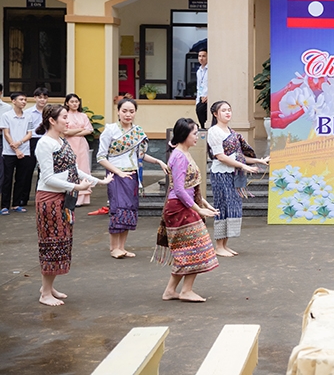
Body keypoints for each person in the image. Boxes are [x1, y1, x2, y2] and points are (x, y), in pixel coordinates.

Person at [35, 104, 112, 306]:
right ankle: (45, 293)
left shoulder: (61, 140)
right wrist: (76, 187)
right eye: (64, 117)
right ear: (52, 121)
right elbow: (48, 178)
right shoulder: (45, 143)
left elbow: (74, 169)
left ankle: (48, 287)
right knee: (51, 244)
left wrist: (98, 181)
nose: (68, 121)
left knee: (62, 243)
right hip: (49, 200)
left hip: (63, 199)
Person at [153, 117, 219, 302]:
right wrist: (198, 209)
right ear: (184, 135)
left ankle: (170, 290)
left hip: (183, 205)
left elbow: (189, 186)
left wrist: (204, 203)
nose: (197, 137)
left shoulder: (183, 153)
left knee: (187, 249)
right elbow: (180, 189)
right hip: (178, 208)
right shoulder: (180, 156)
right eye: (195, 133)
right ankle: (186, 291)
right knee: (197, 246)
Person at [97, 98, 168, 259]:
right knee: (118, 209)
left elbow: (140, 155)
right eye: (124, 111)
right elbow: (101, 157)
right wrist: (118, 172)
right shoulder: (110, 130)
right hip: (116, 175)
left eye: (131, 111)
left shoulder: (137, 131)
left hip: (133, 175)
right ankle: (113, 247)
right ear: (118, 111)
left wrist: (157, 161)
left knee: (129, 210)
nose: (128, 114)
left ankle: (122, 247)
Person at [207, 101, 269, 257]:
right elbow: (220, 157)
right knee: (222, 207)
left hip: (233, 175)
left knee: (233, 206)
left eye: (229, 110)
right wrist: (244, 167)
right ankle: (218, 246)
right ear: (215, 114)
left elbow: (240, 157)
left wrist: (259, 161)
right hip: (221, 174)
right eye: (224, 110)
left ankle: (225, 245)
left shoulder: (231, 132)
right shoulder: (214, 131)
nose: (228, 113)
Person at [1, 92, 35, 214]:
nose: (24, 102)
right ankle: (4, 205)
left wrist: (19, 143)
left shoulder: (28, 116)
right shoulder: (6, 115)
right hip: (9, 152)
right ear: (13, 101)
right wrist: (15, 149)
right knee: (7, 179)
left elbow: (29, 134)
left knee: (21, 178)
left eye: (25, 99)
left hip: (24, 152)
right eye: (21, 99)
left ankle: (16, 204)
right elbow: (6, 133)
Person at [63, 94, 93, 206]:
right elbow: (65, 132)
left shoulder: (83, 115)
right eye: (72, 101)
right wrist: (80, 129)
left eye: (76, 101)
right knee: (71, 169)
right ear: (67, 103)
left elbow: (89, 130)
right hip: (69, 144)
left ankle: (83, 197)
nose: (75, 104)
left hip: (81, 144)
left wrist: (74, 131)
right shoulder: (64, 115)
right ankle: (71, 196)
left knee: (83, 168)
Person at [23, 87, 49, 206]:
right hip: (32, 140)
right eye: (40, 97)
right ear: (35, 98)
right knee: (28, 169)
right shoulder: (28, 112)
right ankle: (24, 197)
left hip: (46, 141)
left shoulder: (49, 112)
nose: (42, 100)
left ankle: (41, 197)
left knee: (43, 170)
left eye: (45, 97)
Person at [195, 49, 208, 129]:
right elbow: (198, 87)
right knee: (200, 115)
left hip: (207, 99)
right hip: (200, 98)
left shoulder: (210, 70)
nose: (201, 58)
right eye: (199, 56)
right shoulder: (199, 71)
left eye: (203, 56)